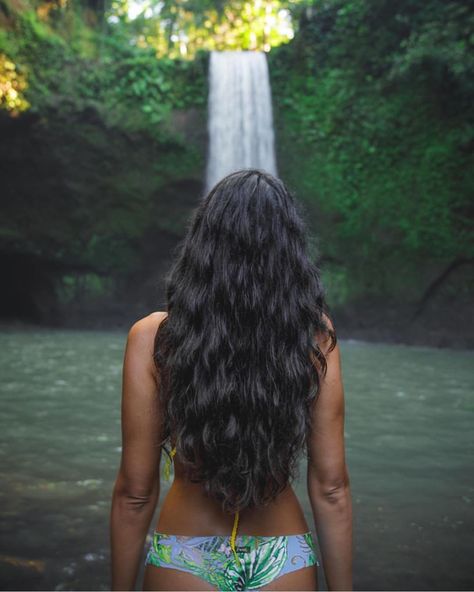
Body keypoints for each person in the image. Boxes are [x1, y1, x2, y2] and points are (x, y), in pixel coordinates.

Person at [110, 169, 353, 591]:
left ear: (202, 245)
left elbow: (135, 492)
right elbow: (331, 488)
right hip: (283, 554)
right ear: (289, 251)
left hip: (185, 552)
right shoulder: (314, 337)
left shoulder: (153, 338)